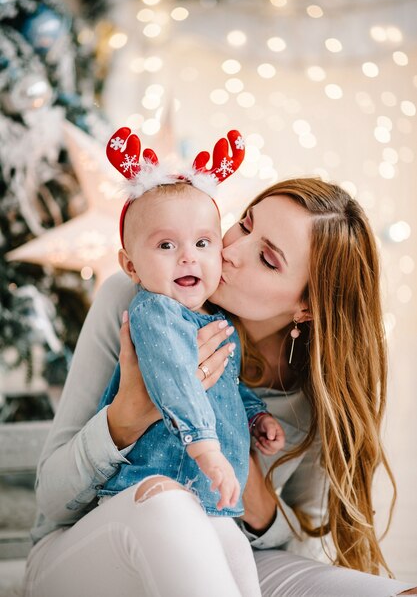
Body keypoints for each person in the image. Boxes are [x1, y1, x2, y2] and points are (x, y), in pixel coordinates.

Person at [24, 173, 417, 597]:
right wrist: (129, 416)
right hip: (82, 557)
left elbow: (303, 544)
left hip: (228, 553)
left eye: (267, 258)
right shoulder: (139, 297)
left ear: (306, 305)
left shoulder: (317, 389)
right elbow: (51, 502)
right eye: (244, 225)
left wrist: (240, 464)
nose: (228, 250)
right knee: (169, 504)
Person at [95, 128, 285, 595]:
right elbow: (175, 381)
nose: (188, 258)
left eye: (203, 243)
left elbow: (224, 383)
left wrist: (253, 413)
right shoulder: (153, 311)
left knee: (240, 568)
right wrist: (205, 446)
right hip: (153, 495)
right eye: (166, 246)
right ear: (131, 266)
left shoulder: (216, 319)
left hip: (209, 500)